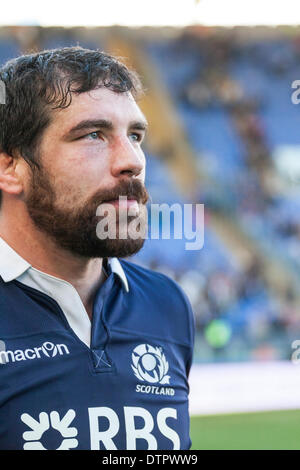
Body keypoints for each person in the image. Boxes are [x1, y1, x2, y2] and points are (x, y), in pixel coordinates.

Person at [0, 47, 194, 450]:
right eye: (93, 134)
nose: (132, 161)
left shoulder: (167, 304)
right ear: (10, 168)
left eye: (135, 136)